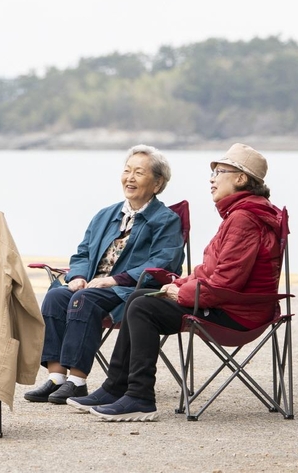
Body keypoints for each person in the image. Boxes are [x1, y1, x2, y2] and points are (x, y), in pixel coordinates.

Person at [68, 142, 282, 421]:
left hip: (238, 313)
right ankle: (116, 388)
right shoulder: (239, 214)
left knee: (144, 305)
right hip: (233, 305)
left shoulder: (244, 218)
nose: (212, 178)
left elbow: (224, 283)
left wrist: (179, 293)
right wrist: (181, 285)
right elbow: (210, 271)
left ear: (240, 179)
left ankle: (139, 397)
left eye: (219, 171)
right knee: (140, 297)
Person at [23, 145, 184, 405]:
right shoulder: (105, 215)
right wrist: (76, 276)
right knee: (56, 297)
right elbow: (83, 252)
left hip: (127, 291)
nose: (130, 178)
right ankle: (57, 378)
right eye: (127, 170)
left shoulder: (166, 220)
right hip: (92, 287)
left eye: (139, 173)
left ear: (157, 183)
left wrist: (114, 279)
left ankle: (77, 382)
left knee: (83, 300)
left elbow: (164, 262)